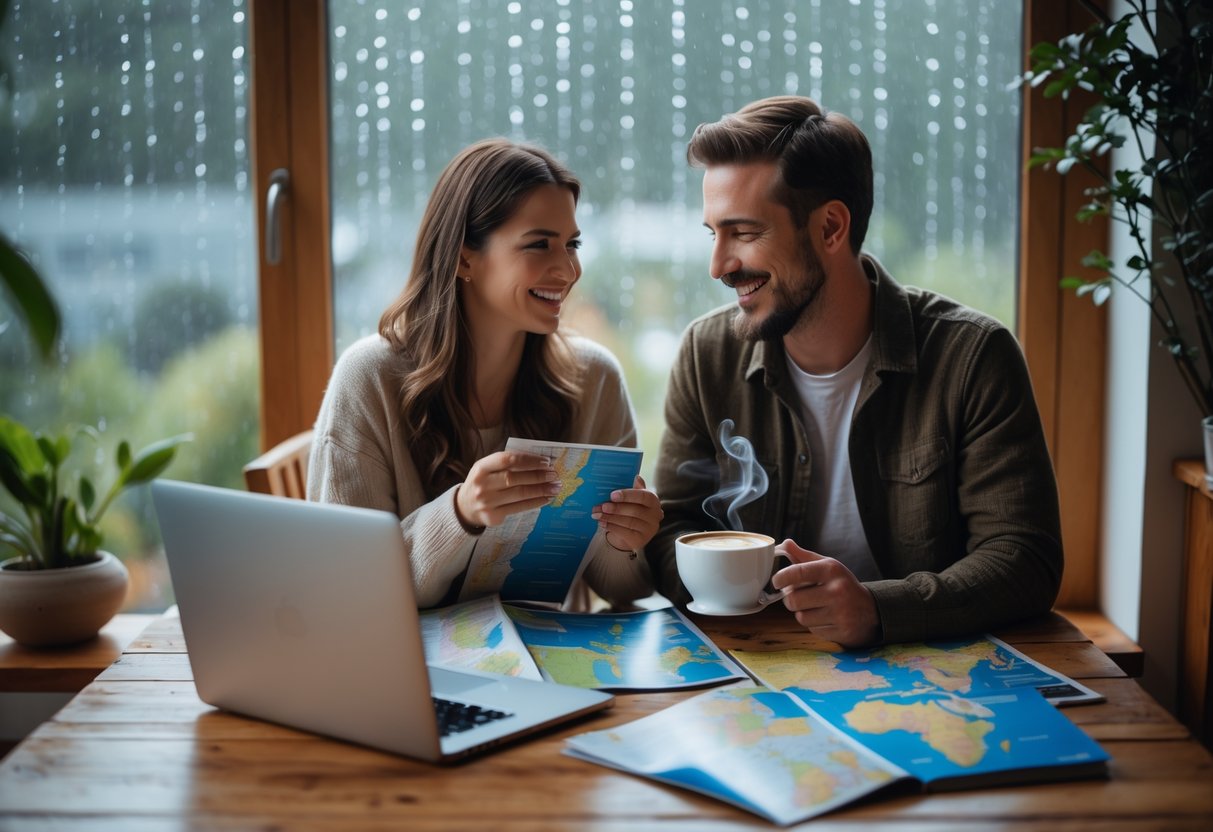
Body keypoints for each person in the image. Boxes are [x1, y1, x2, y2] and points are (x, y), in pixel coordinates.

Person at [648, 96, 1063, 647]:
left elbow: (1024, 558)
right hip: (755, 659)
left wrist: (877, 608)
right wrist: (736, 587)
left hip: (928, 673)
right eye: (713, 233)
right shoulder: (707, 354)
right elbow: (672, 529)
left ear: (831, 228)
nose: (718, 265)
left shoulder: (973, 357)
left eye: (743, 233)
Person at [308, 138, 659, 609]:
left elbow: (623, 588)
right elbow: (347, 590)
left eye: (572, 244)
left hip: (551, 669)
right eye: (539, 244)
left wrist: (626, 541)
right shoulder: (368, 379)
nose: (568, 268)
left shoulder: (595, 379)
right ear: (463, 257)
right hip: (408, 672)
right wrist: (460, 514)